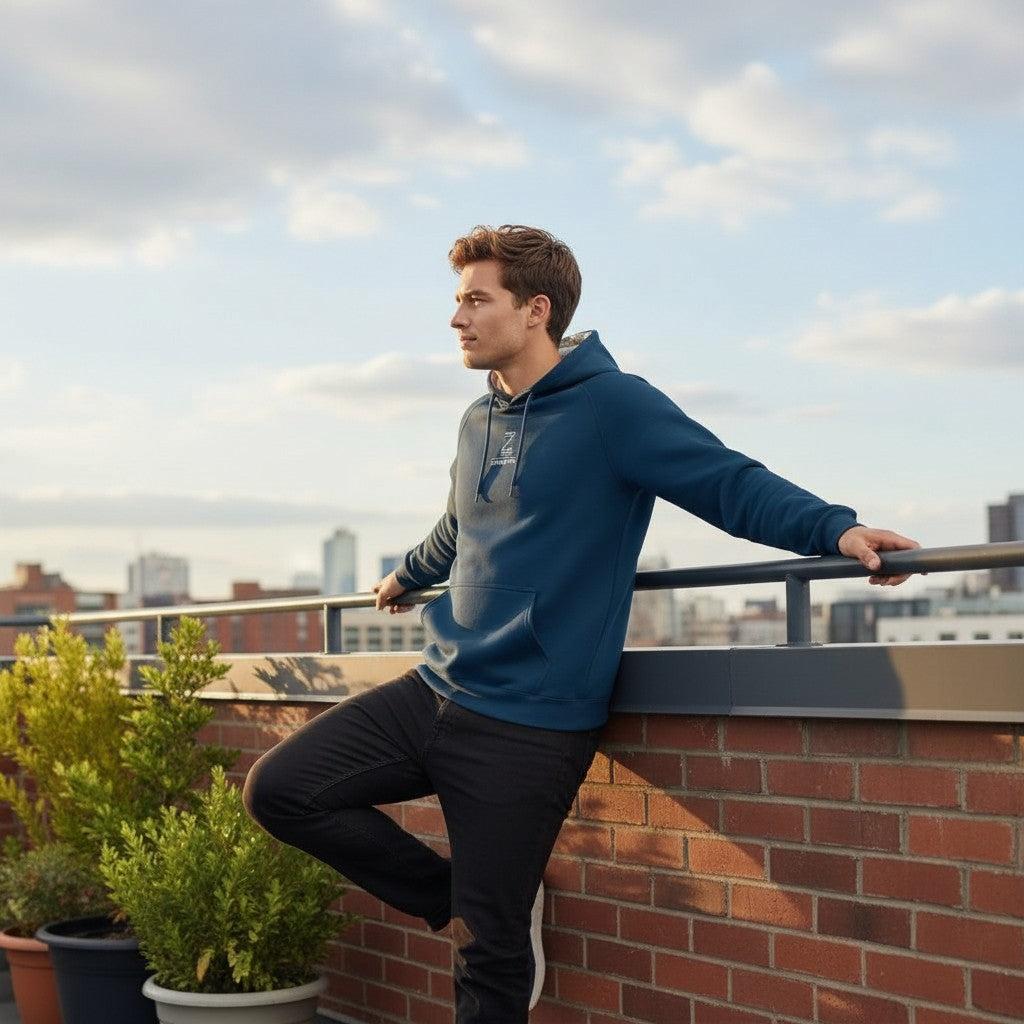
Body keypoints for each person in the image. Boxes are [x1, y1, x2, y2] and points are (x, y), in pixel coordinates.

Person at [244, 224, 919, 1023]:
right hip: (434, 690)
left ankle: (489, 910)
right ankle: (460, 896)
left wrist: (836, 531)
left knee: (488, 956)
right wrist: (406, 574)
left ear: (535, 310)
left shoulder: (615, 407)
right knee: (281, 791)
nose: (455, 318)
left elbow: (728, 481)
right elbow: (460, 526)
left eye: (473, 299)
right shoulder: (476, 417)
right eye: (455, 300)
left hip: (527, 725)